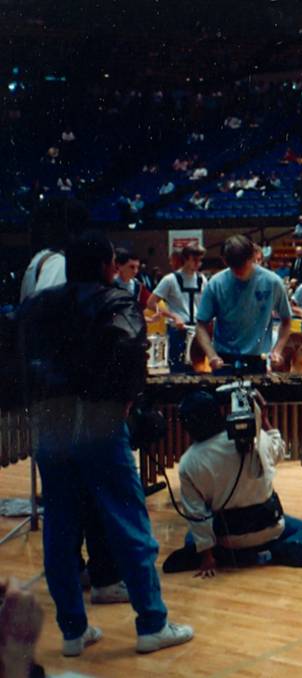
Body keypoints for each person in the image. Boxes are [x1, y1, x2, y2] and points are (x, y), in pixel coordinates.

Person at [17, 230, 194, 655]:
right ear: (106, 266)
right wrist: (126, 402)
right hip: (98, 425)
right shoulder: (115, 301)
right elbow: (130, 356)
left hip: (51, 426)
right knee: (128, 521)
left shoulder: (36, 307)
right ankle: (152, 623)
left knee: (59, 528)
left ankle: (72, 633)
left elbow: (17, 360)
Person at [161, 391, 302, 575]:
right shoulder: (254, 439)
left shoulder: (188, 462)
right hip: (269, 528)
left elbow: (197, 515)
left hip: (226, 538)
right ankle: (276, 551)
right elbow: (280, 451)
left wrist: (206, 557)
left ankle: (220, 556)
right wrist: (264, 421)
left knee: (190, 537)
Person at [196, 235, 292, 374]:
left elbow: (286, 321)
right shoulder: (215, 284)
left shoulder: (272, 282)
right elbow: (201, 325)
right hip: (224, 359)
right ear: (225, 261)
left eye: (243, 265)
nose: (239, 271)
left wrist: (277, 350)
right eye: (234, 267)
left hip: (257, 359)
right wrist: (211, 355)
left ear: (253, 256)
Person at [147, 244, 208, 373]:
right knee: (178, 371)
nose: (198, 264)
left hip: (197, 332)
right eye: (194, 260)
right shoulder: (170, 280)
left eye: (200, 260)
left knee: (199, 371)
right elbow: (151, 303)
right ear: (185, 259)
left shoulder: (202, 279)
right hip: (178, 331)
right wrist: (173, 316)